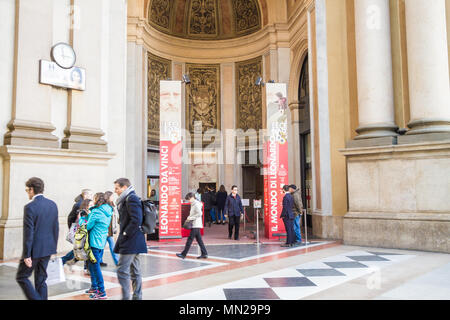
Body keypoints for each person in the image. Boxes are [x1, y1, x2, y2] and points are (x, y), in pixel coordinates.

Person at [16, 177, 59, 300]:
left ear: (31, 189)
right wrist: (53, 248)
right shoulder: (52, 204)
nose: (27, 193)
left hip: (34, 250)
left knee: (22, 277)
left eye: (27, 190)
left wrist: (26, 255)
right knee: (41, 279)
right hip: (48, 248)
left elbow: (29, 232)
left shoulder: (30, 207)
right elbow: (55, 228)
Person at [114, 178, 148, 300]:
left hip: (131, 241)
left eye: (117, 188)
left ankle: (126, 297)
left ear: (124, 187)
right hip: (134, 240)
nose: (115, 191)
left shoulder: (131, 198)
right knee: (135, 271)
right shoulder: (127, 198)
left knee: (122, 270)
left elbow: (136, 219)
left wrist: (125, 233)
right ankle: (137, 297)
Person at [84, 192, 113, 300]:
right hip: (101, 242)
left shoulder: (96, 212)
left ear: (97, 200)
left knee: (95, 268)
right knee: (91, 266)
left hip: (94, 242)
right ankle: (94, 287)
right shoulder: (108, 211)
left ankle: (102, 291)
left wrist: (86, 217)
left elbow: (88, 226)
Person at [176, 193, 208, 260]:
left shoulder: (196, 204)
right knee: (199, 240)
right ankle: (204, 253)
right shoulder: (194, 204)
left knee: (190, 239)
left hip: (195, 224)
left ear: (193, 197)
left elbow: (200, 213)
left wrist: (191, 218)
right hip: (196, 224)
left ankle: (183, 254)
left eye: (189, 199)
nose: (189, 201)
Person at [61, 199, 91, 266]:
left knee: (83, 251)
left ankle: (82, 265)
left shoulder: (88, 212)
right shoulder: (83, 213)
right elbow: (82, 224)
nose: (92, 206)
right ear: (86, 205)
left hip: (85, 236)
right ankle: (62, 261)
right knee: (78, 251)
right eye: (90, 205)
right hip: (82, 236)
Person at [98, 191, 119, 267]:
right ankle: (99, 261)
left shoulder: (113, 205)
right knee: (102, 247)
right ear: (108, 197)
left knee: (110, 246)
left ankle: (116, 261)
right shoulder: (105, 206)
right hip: (105, 230)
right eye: (112, 196)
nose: (113, 198)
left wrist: (115, 228)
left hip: (110, 230)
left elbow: (115, 218)